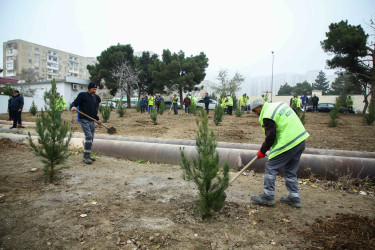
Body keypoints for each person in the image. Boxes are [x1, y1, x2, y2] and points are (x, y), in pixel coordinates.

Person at [249, 98, 309, 208]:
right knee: (290, 170)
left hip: (289, 141)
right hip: (300, 139)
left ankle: (267, 197)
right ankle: (294, 197)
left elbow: (271, 136)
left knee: (271, 166)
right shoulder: (278, 105)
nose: (255, 113)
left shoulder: (267, 115)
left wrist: (262, 151)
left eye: (254, 111)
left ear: (260, 107)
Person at [70, 82, 102, 164]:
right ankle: (86, 156)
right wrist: (73, 106)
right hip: (84, 119)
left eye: (96, 89)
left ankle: (88, 154)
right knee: (88, 136)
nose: (95, 91)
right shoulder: (82, 95)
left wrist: (97, 119)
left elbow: (94, 111)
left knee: (91, 138)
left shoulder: (95, 98)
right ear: (89, 88)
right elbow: (74, 103)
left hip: (91, 120)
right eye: (93, 89)